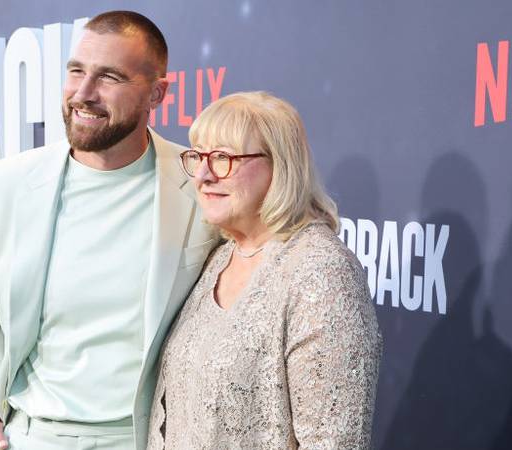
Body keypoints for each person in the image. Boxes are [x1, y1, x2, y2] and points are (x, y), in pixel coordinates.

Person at [0, 11, 218, 450]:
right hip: (32, 437)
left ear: (157, 93)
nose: (83, 93)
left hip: (147, 439)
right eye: (76, 71)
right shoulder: (6, 184)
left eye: (109, 77)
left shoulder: (200, 183)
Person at [147, 91, 383, 449]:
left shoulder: (321, 271)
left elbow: (333, 441)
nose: (204, 175)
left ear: (280, 165)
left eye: (223, 158)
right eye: (199, 157)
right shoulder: (220, 256)